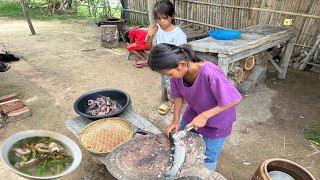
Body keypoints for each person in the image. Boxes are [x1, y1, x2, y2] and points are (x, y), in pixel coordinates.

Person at [148, 43, 242, 171]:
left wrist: (204, 116)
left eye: (169, 74)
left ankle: (205, 173)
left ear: (181, 65)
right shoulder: (177, 74)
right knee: (181, 138)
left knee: (208, 155)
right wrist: (175, 121)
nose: (169, 77)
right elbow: (178, 97)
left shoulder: (210, 73)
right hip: (194, 111)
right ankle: (184, 164)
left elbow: (235, 99)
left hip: (219, 120)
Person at [142, 0, 187, 114]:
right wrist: (150, 35)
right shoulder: (156, 29)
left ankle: (176, 101)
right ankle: (172, 100)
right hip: (163, 65)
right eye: (158, 18)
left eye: (165, 18)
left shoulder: (178, 33)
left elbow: (183, 52)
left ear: (172, 17)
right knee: (167, 83)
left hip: (175, 65)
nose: (162, 22)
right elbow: (147, 45)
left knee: (177, 83)